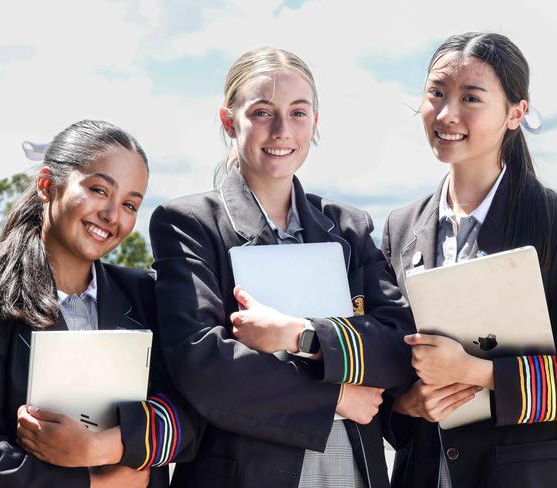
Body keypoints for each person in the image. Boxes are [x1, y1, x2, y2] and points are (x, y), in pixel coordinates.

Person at [149, 47, 415, 488]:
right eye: (262, 112)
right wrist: (334, 397)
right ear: (228, 120)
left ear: (315, 123)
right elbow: (203, 365)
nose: (281, 130)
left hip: (350, 470)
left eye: (297, 113)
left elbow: (399, 346)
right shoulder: (189, 224)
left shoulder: (349, 228)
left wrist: (302, 336)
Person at [382, 32, 557, 488]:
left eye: (471, 98)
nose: (446, 114)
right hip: (420, 470)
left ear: (516, 113)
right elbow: (390, 357)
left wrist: (477, 372)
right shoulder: (400, 227)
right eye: (436, 93)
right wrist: (406, 403)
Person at [0, 120, 202, 487]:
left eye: (130, 204)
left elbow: (192, 414)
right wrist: (93, 483)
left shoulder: (147, 296)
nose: (113, 216)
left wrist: (103, 448)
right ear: (47, 185)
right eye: (99, 190)